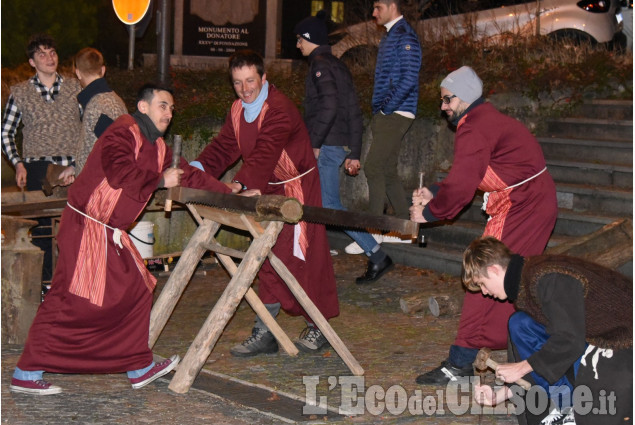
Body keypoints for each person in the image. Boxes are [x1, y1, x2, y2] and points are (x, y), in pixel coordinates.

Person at [9, 83, 243, 395]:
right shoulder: (122, 131)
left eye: (172, 108)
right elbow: (120, 171)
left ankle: (138, 366)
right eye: (163, 105)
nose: (169, 113)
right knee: (70, 300)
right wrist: (160, 180)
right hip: (85, 227)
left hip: (110, 232)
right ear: (143, 106)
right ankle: (26, 371)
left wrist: (231, 192)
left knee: (137, 287)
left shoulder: (159, 147)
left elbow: (190, 174)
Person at [411, 66, 558, 385]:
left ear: (463, 96)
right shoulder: (482, 120)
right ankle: (536, 343)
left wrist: (431, 212)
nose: (443, 107)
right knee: (510, 277)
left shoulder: (474, 126)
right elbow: (471, 171)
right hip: (527, 201)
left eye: (447, 99)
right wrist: (435, 191)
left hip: (523, 205)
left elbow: (463, 185)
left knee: (485, 274)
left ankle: (461, 363)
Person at [192, 50, 339, 356]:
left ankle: (319, 326)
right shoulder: (237, 110)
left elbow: (264, 152)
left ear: (263, 78)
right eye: (237, 83)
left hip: (295, 188)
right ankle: (266, 330)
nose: (245, 89)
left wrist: (240, 184)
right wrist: (196, 171)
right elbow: (223, 148)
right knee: (266, 255)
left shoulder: (279, 109)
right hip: (264, 188)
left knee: (300, 257)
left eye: (250, 81)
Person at [466, 237, 632, 425]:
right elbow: (550, 345)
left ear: (493, 270)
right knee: (521, 324)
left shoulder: (548, 277)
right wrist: (502, 394)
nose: (484, 292)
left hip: (622, 337)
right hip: (591, 335)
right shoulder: (526, 282)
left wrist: (522, 367)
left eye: (481, 283)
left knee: (555, 336)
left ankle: (578, 408)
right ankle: (564, 405)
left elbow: (570, 339)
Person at [293, 12, 394, 284]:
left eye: (299, 39)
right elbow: (353, 111)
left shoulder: (319, 66)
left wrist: (314, 144)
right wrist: (355, 152)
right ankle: (312, 259)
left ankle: (376, 255)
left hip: (326, 146)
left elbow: (328, 107)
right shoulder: (337, 65)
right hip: (336, 144)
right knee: (320, 205)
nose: (297, 44)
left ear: (310, 38)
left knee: (328, 206)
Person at [1, 33, 82, 286]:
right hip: (38, 167)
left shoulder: (75, 88)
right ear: (32, 62)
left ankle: (74, 282)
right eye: (42, 54)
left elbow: (89, 126)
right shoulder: (20, 92)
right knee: (43, 228)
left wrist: (82, 162)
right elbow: (5, 131)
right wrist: (17, 162)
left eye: (53, 52)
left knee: (75, 223)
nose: (49, 58)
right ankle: (45, 284)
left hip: (72, 166)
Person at [361, 0, 421, 224]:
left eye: (378, 8)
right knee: (386, 170)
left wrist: (386, 107)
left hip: (396, 112)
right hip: (390, 112)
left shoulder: (404, 35)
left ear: (392, 5)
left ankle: (374, 231)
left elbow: (408, 77)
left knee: (373, 166)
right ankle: (406, 227)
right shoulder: (391, 34)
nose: (374, 13)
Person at [58, 47, 127, 184]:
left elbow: (114, 151)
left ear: (78, 73)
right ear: (103, 70)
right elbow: (95, 144)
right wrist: (74, 167)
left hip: (100, 189)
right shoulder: (114, 99)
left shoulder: (97, 106)